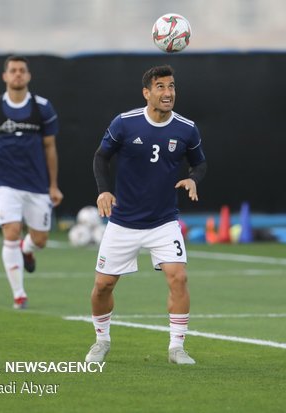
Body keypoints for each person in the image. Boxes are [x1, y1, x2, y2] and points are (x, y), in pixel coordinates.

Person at [85, 65, 207, 365]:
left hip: (164, 221)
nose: (168, 93)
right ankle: (101, 341)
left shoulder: (186, 128)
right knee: (103, 285)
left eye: (172, 87)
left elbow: (199, 164)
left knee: (178, 277)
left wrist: (193, 179)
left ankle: (177, 347)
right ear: (147, 93)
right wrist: (104, 190)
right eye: (161, 87)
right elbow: (101, 157)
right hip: (123, 221)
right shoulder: (125, 124)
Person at [0, 55, 63, 310]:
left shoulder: (42, 108)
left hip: (37, 184)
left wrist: (53, 185)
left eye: (22, 71)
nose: (17, 74)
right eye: (13, 71)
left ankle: (26, 249)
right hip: (6, 182)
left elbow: (50, 148)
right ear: (5, 76)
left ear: (28, 76)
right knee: (11, 232)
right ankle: (19, 295)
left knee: (40, 240)